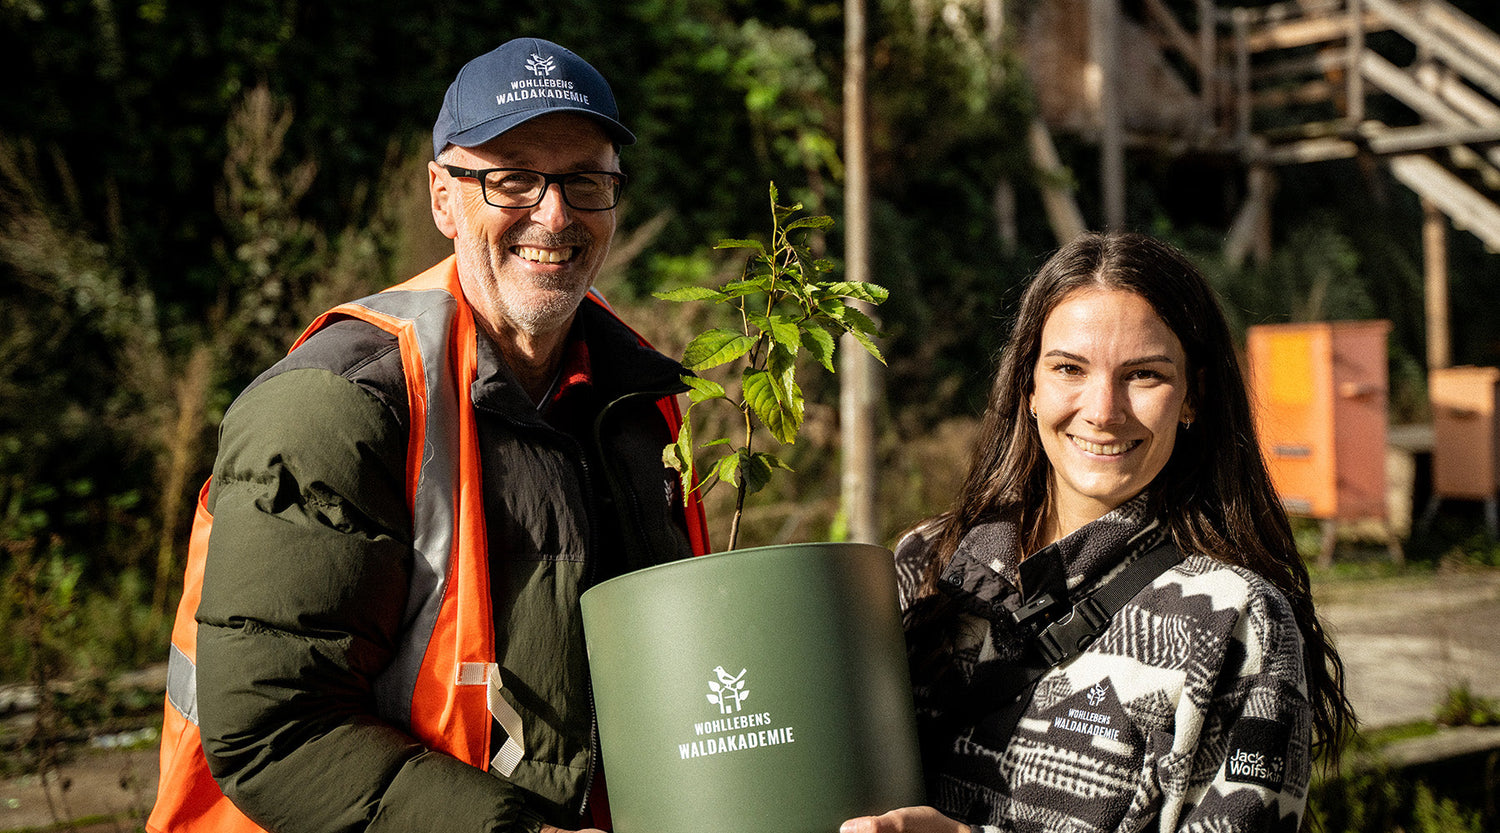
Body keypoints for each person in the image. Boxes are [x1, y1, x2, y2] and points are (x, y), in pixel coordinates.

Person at [148, 38, 707, 833]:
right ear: (444, 198)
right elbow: (274, 728)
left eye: (585, 180)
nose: (555, 214)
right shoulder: (338, 404)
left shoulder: (639, 397)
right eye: (512, 178)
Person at [841, 232, 1354, 833]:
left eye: (1144, 375)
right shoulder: (926, 563)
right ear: (1029, 387)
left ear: (1193, 397)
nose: (1104, 410)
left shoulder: (1236, 621)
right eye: (1069, 368)